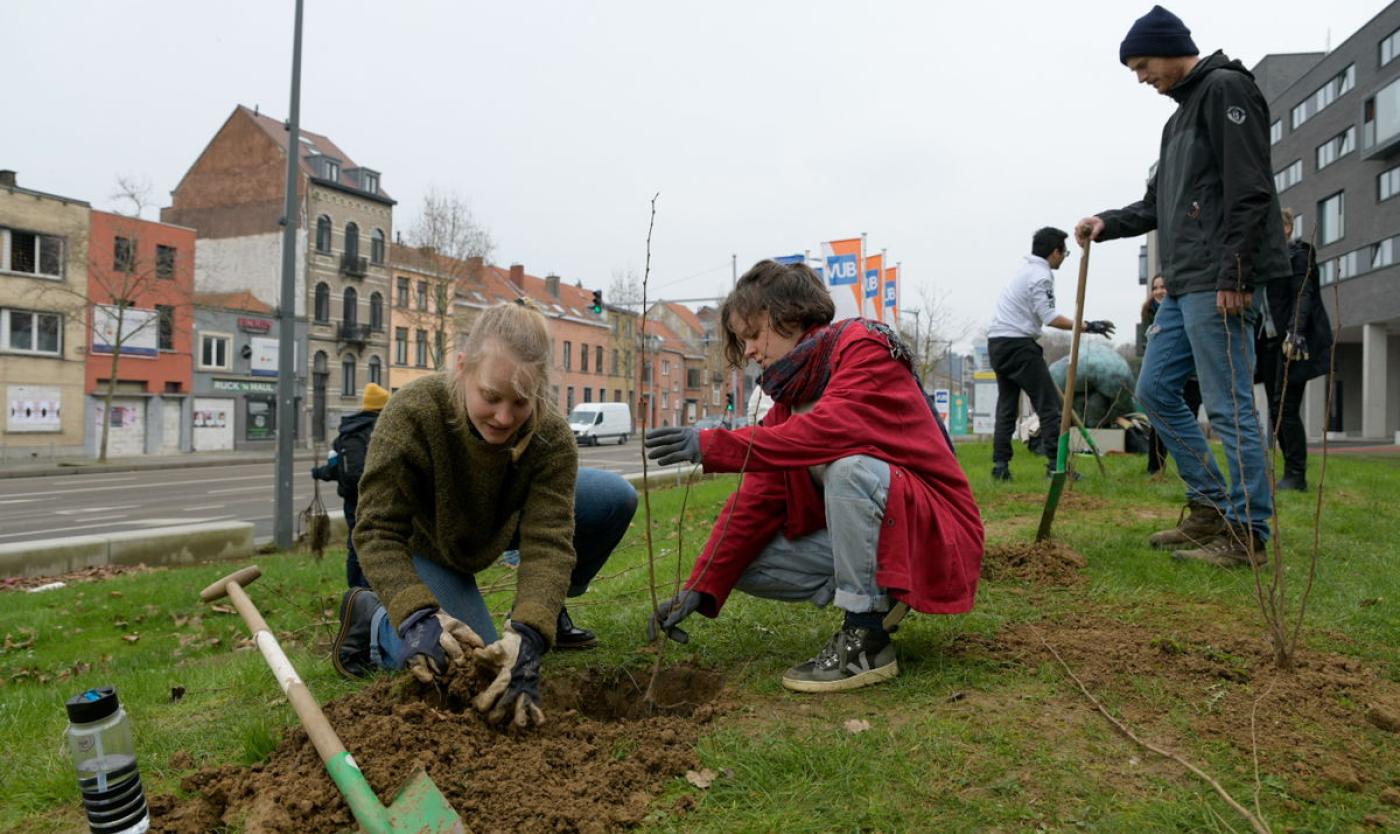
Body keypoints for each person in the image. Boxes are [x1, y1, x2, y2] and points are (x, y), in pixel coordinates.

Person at [642, 260, 984, 693]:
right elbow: (757, 498)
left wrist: (716, 445)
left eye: (752, 333)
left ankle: (865, 638)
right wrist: (701, 585)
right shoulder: (795, 393)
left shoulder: (863, 347)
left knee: (849, 468)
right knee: (743, 564)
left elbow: (828, 431)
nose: (747, 350)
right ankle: (884, 596)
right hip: (897, 533)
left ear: (786, 314)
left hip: (938, 533)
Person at [330, 301, 638, 727]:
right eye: (491, 397)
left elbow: (549, 540)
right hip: (431, 545)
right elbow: (376, 529)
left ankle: (549, 611)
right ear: (462, 368)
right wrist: (416, 612)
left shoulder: (551, 437)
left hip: (500, 522)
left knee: (614, 497)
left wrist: (531, 630)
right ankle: (375, 623)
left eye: (521, 401)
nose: (504, 417)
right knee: (468, 666)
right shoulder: (413, 414)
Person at [1076, 5, 1291, 567]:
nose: (1142, 78)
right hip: (1184, 284)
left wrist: (1238, 272)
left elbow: (1251, 188)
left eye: (1143, 65)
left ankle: (1248, 536)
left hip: (1221, 279)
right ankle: (1210, 507)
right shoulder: (1178, 120)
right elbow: (1157, 206)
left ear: (1172, 49)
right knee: (1154, 392)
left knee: (1228, 407)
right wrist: (1106, 222)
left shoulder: (1225, 90)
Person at [987, 227, 1115, 481]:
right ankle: (1056, 468)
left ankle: (1000, 467)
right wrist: (1088, 325)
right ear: (1054, 252)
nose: (1065, 257)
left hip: (998, 343)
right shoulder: (1040, 276)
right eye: (1064, 252)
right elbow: (1050, 317)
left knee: (1007, 408)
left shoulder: (1024, 270)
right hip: (1018, 345)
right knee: (1049, 406)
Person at [1255, 209, 1331, 492]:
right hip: (1269, 343)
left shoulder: (1298, 254)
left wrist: (1295, 332)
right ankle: (1290, 470)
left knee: (1285, 408)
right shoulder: (1262, 260)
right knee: (1276, 411)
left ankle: (1296, 475)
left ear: (1287, 227)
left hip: (1292, 342)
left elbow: (1303, 294)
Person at [311, 382, 387, 589]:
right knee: (382, 544)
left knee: (356, 545)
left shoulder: (346, 433)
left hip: (352, 500)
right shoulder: (384, 429)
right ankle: (372, 590)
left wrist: (319, 473)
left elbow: (335, 468)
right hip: (380, 499)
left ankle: (356, 593)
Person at [1140, 275, 1202, 476]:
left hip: (1191, 376)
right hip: (1163, 376)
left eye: (1163, 287)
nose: (1159, 291)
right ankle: (1155, 468)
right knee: (1158, 423)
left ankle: (1192, 469)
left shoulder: (1186, 309)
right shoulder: (1148, 313)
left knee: (1188, 421)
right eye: (1155, 287)